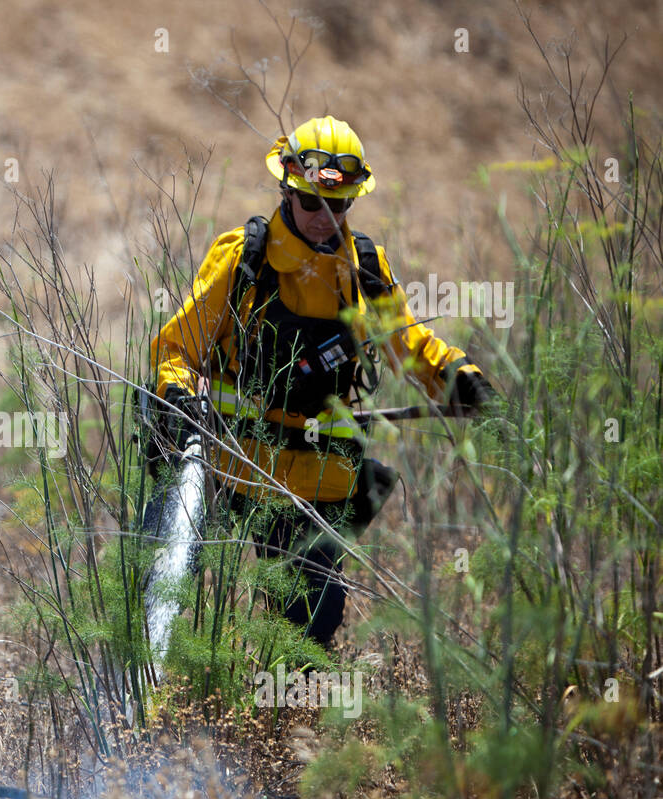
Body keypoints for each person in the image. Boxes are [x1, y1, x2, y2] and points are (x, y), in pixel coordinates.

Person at [146, 115, 497, 648]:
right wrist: (175, 395)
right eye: (312, 202)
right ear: (288, 189)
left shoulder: (367, 271)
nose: (323, 216)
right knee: (170, 586)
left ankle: (286, 723)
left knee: (311, 624)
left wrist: (459, 377)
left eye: (338, 205)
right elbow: (177, 347)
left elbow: (409, 347)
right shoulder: (244, 258)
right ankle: (162, 706)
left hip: (313, 478)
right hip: (227, 463)